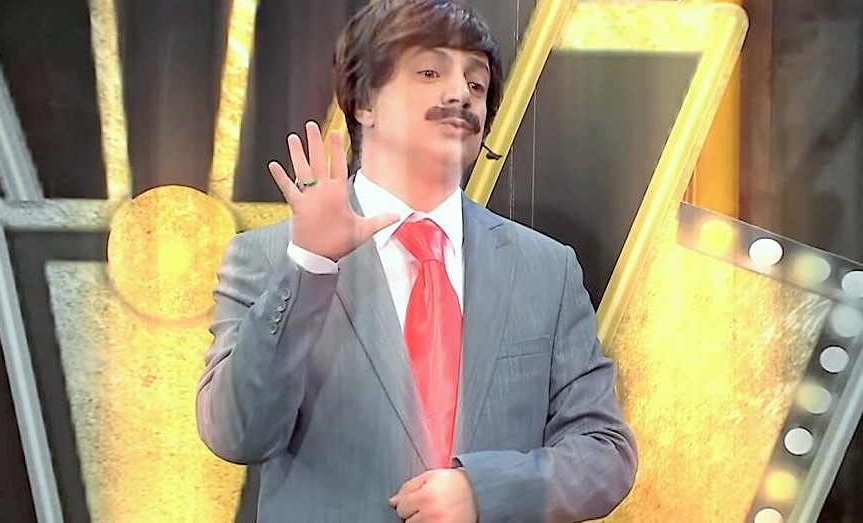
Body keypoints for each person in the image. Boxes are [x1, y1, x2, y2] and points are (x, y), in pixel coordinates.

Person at [196, 1, 637, 521]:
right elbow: (236, 433)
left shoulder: (546, 269)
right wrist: (311, 265)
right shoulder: (267, 257)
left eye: (476, 84)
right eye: (430, 72)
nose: (460, 94)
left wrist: (486, 490)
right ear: (364, 102)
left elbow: (605, 453)